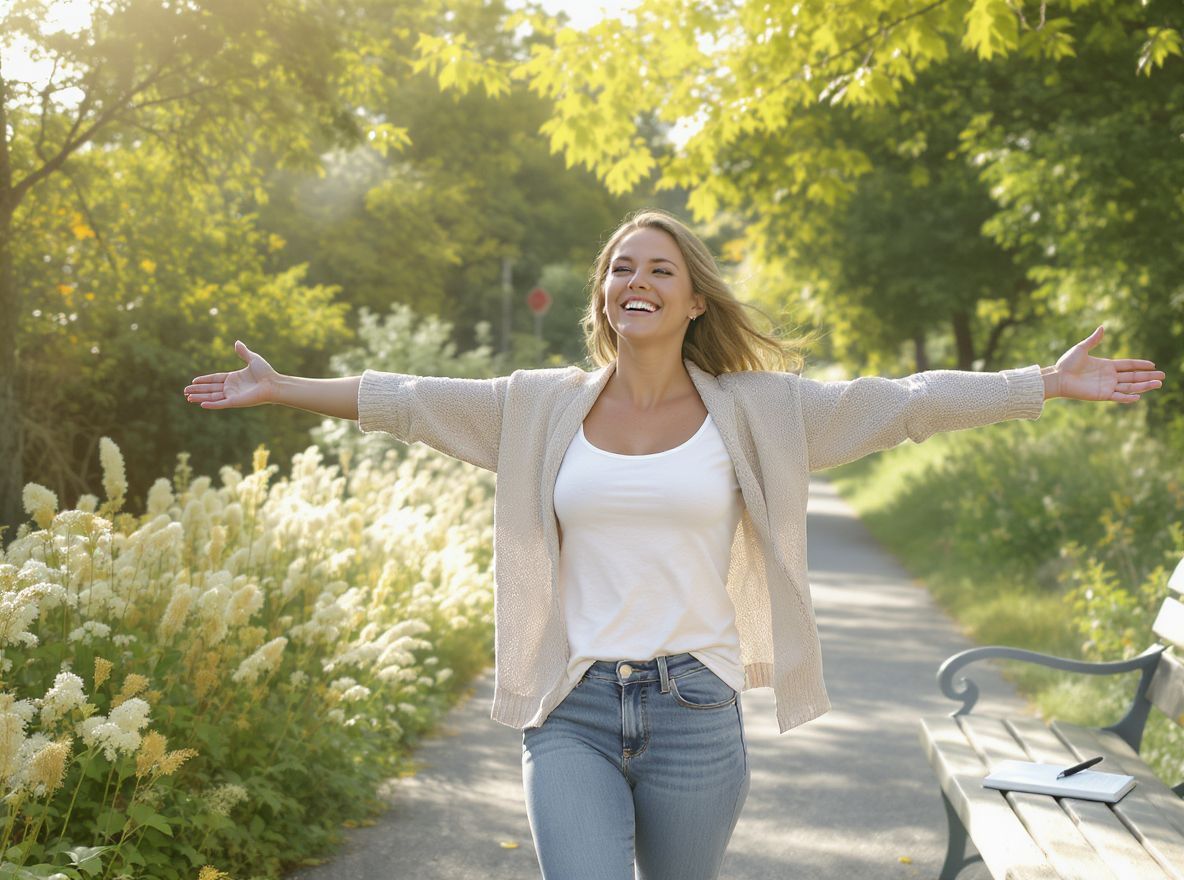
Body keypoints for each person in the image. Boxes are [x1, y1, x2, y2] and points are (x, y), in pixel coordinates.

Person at [183, 208, 1165, 880]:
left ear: (694, 300)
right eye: (620, 266)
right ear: (602, 296)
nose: (636, 279)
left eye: (660, 268)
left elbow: (902, 406)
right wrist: (282, 387)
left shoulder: (758, 412)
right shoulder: (535, 409)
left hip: (696, 706)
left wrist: (1040, 381)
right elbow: (400, 400)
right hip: (568, 706)